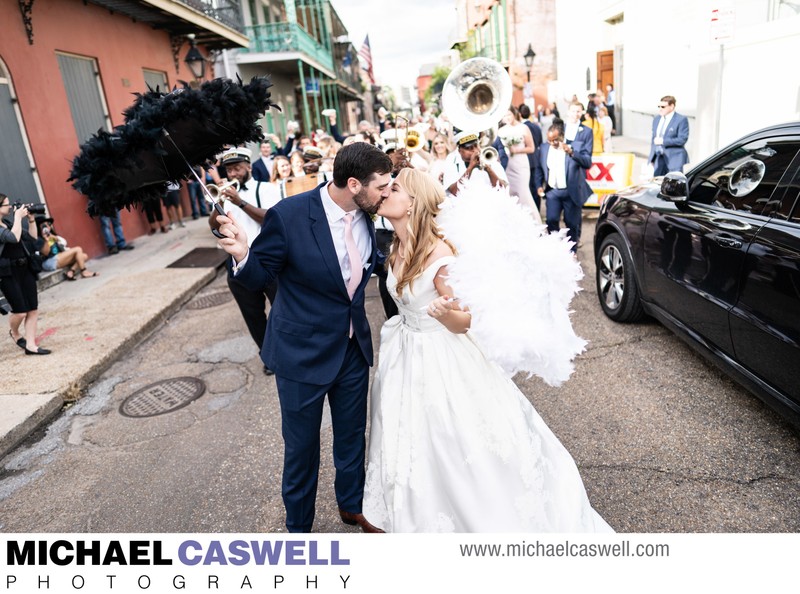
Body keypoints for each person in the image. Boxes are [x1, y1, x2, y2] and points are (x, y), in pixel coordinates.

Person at [361, 169, 612, 532]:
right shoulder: (398, 246)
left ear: (413, 201)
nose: (385, 193)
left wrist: (447, 316)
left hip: (443, 357)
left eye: (394, 188)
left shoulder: (440, 254)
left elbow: (466, 319)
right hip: (406, 355)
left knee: (458, 444)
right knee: (413, 442)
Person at [215, 142, 394, 533]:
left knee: (352, 437)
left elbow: (377, 266)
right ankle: (299, 529)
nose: (387, 192)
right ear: (353, 184)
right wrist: (244, 255)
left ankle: (353, 505)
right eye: (381, 186)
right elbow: (263, 275)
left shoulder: (368, 215)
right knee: (301, 449)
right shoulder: (290, 215)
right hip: (301, 355)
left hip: (351, 347)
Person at [209, 147, 280, 376]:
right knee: (253, 315)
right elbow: (213, 226)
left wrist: (240, 202)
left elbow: (271, 218)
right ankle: (269, 356)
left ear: (249, 166)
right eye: (229, 169)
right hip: (237, 261)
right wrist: (217, 203)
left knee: (282, 309)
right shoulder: (225, 194)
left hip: (269, 259)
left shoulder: (267, 188)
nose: (234, 173)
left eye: (238, 168)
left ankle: (290, 349)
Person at [534, 112, 593, 252]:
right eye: (550, 140)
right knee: (551, 221)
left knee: (572, 224)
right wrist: (538, 185)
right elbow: (539, 168)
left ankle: (572, 252)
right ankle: (556, 250)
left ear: (562, 135)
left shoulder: (574, 146)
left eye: (555, 139)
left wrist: (571, 152)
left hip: (570, 192)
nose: (552, 143)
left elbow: (587, 163)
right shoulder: (543, 148)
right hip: (552, 192)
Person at [0, 196, 50, 355]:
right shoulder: (6, 226)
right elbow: (13, 238)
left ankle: (31, 345)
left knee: (33, 309)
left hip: (25, 269)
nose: (10, 207)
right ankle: (14, 332)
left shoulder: (8, 223)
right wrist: (17, 217)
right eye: (7, 204)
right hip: (7, 273)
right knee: (20, 311)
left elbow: (32, 238)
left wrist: (30, 220)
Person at [498, 106, 540, 219]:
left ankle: (532, 221)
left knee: (523, 192)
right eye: (504, 116)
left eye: (509, 115)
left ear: (514, 113)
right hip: (507, 166)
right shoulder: (501, 131)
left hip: (521, 165)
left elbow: (531, 148)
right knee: (510, 193)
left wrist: (517, 150)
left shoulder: (524, 128)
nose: (507, 118)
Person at [442, 131, 508, 197]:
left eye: (476, 146)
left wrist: (488, 169)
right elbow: (453, 192)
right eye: (469, 148)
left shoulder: (488, 155)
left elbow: (503, 188)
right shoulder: (451, 159)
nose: (475, 151)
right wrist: (470, 167)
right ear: (459, 151)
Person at [649, 95, 690, 176]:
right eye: (659, 106)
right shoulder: (657, 119)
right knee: (657, 184)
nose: (660, 109)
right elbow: (653, 139)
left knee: (673, 185)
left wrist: (663, 141)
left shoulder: (681, 119)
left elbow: (682, 139)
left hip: (674, 159)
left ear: (672, 106)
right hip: (659, 158)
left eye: (663, 106)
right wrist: (651, 159)